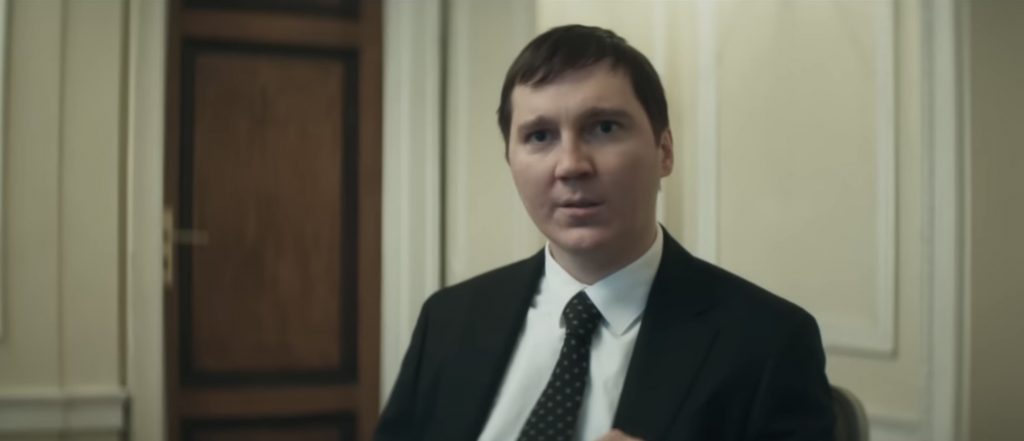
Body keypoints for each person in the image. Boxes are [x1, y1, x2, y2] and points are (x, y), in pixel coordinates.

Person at [376, 24, 834, 441]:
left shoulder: (768, 340)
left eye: (604, 128)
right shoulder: (448, 320)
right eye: (540, 136)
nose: (571, 165)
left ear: (664, 152)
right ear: (510, 160)